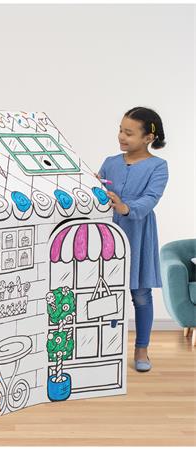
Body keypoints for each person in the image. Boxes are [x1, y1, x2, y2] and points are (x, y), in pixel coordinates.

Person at [97, 107, 169, 372]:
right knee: (105, 290)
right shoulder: (110, 162)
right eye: (120, 130)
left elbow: (151, 199)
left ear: (148, 137)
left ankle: (141, 348)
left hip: (138, 233)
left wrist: (126, 207)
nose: (121, 137)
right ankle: (106, 347)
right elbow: (98, 192)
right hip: (107, 233)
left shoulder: (158, 166)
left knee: (140, 294)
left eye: (129, 133)